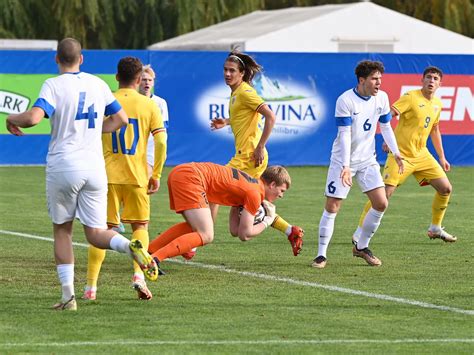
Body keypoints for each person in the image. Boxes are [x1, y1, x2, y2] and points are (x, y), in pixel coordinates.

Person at [5, 38, 158, 311]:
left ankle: (68, 297)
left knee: (63, 230)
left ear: (56, 59)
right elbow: (121, 119)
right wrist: (94, 130)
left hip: (64, 165)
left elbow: (33, 118)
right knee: (96, 232)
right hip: (95, 167)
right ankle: (129, 247)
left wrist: (11, 119)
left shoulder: (53, 85)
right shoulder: (98, 84)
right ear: (82, 59)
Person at [83, 57, 167, 301]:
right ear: (139, 80)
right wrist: (157, 174)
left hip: (105, 175)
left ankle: (91, 288)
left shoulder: (106, 99)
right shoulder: (150, 105)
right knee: (140, 226)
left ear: (117, 77)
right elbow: (161, 141)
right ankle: (138, 277)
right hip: (137, 175)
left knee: (102, 230)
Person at [209, 51, 304, 257]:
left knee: (212, 189)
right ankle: (290, 230)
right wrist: (225, 122)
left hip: (249, 158)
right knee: (242, 215)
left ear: (242, 73)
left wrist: (260, 146)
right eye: (225, 70)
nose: (227, 74)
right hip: (246, 156)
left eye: (232, 70)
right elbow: (245, 117)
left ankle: (201, 237)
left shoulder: (245, 92)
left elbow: (270, 116)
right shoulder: (236, 93)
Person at [311, 60, 404, 269]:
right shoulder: (345, 100)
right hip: (343, 161)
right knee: (333, 206)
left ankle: (361, 247)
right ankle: (321, 255)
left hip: (368, 160)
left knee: (381, 203)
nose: (379, 83)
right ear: (362, 80)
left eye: (380, 78)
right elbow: (344, 135)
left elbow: (386, 127)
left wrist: (396, 153)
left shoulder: (382, 97)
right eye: (374, 79)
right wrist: (345, 166)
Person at [352, 66, 456, 244]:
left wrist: (442, 157)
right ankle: (360, 231)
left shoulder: (438, 103)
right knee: (384, 195)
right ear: (422, 80)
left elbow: (435, 129)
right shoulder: (410, 97)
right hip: (401, 154)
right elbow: (388, 115)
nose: (431, 81)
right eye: (429, 77)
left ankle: (435, 228)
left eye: (435, 79)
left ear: (440, 83)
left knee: (445, 188)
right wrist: (387, 138)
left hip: (422, 155)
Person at [147, 163, 291, 263]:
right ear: (272, 184)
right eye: (281, 191)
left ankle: (149, 252)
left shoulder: (252, 185)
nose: (281, 195)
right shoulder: (255, 193)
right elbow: (244, 234)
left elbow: (235, 231)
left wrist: (239, 209)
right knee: (207, 234)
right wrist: (268, 220)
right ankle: (155, 259)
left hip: (182, 172)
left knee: (195, 228)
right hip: (192, 178)